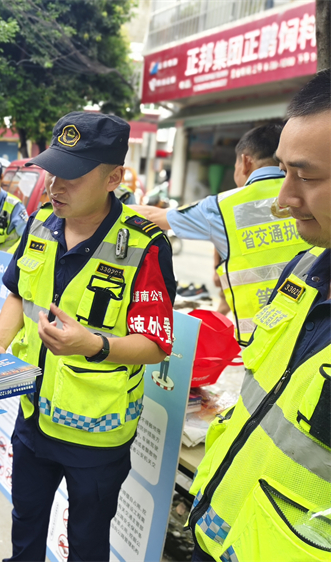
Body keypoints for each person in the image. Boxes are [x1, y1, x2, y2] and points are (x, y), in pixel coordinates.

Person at [0, 112, 176, 561]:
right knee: (25, 522)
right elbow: (18, 294)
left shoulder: (144, 246)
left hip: (96, 433)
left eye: (72, 175)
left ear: (114, 177)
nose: (55, 185)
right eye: (52, 171)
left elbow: (154, 344)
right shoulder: (40, 224)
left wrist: (94, 345)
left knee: (87, 541)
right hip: (32, 414)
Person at [187, 69, 331, 562]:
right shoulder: (305, 273)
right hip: (219, 530)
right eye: (283, 171)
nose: (284, 200)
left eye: (306, 176)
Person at [131, 124, 311, 345]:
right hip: (314, 325)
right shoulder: (311, 195)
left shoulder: (221, 206)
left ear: (245, 162)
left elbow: (152, 215)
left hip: (263, 336)